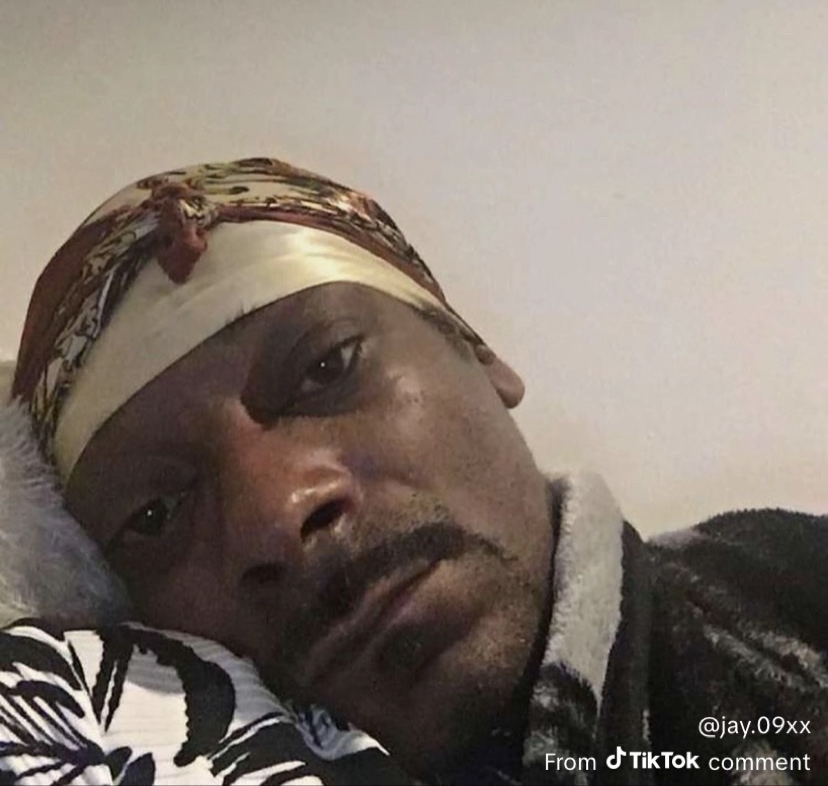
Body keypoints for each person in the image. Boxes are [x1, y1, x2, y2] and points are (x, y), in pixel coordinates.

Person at [1, 157, 826, 785]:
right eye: (155, 514)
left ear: (475, 347)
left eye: (327, 366)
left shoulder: (796, 598)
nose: (278, 511)